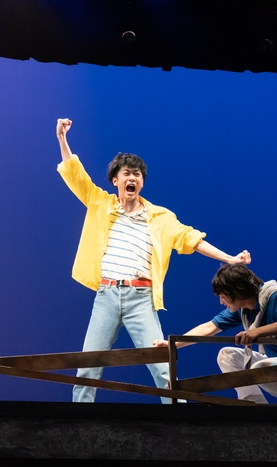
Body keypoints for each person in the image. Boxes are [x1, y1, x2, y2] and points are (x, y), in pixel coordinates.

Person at [56, 118, 251, 403]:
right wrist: (62, 139)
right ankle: (78, 421)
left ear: (142, 182)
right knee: (88, 364)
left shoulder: (160, 217)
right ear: (115, 180)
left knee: (161, 364)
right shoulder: (100, 203)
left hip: (141, 298)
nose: (132, 178)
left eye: (137, 174)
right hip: (107, 294)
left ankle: (178, 418)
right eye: (126, 173)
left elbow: (192, 239)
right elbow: (76, 176)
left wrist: (230, 258)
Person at [154, 263, 277, 404]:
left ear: (237, 291)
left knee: (261, 368)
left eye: (223, 296)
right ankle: (253, 404)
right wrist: (172, 344)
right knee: (226, 355)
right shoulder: (243, 309)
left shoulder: (275, 296)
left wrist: (256, 332)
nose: (221, 302)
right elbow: (209, 327)